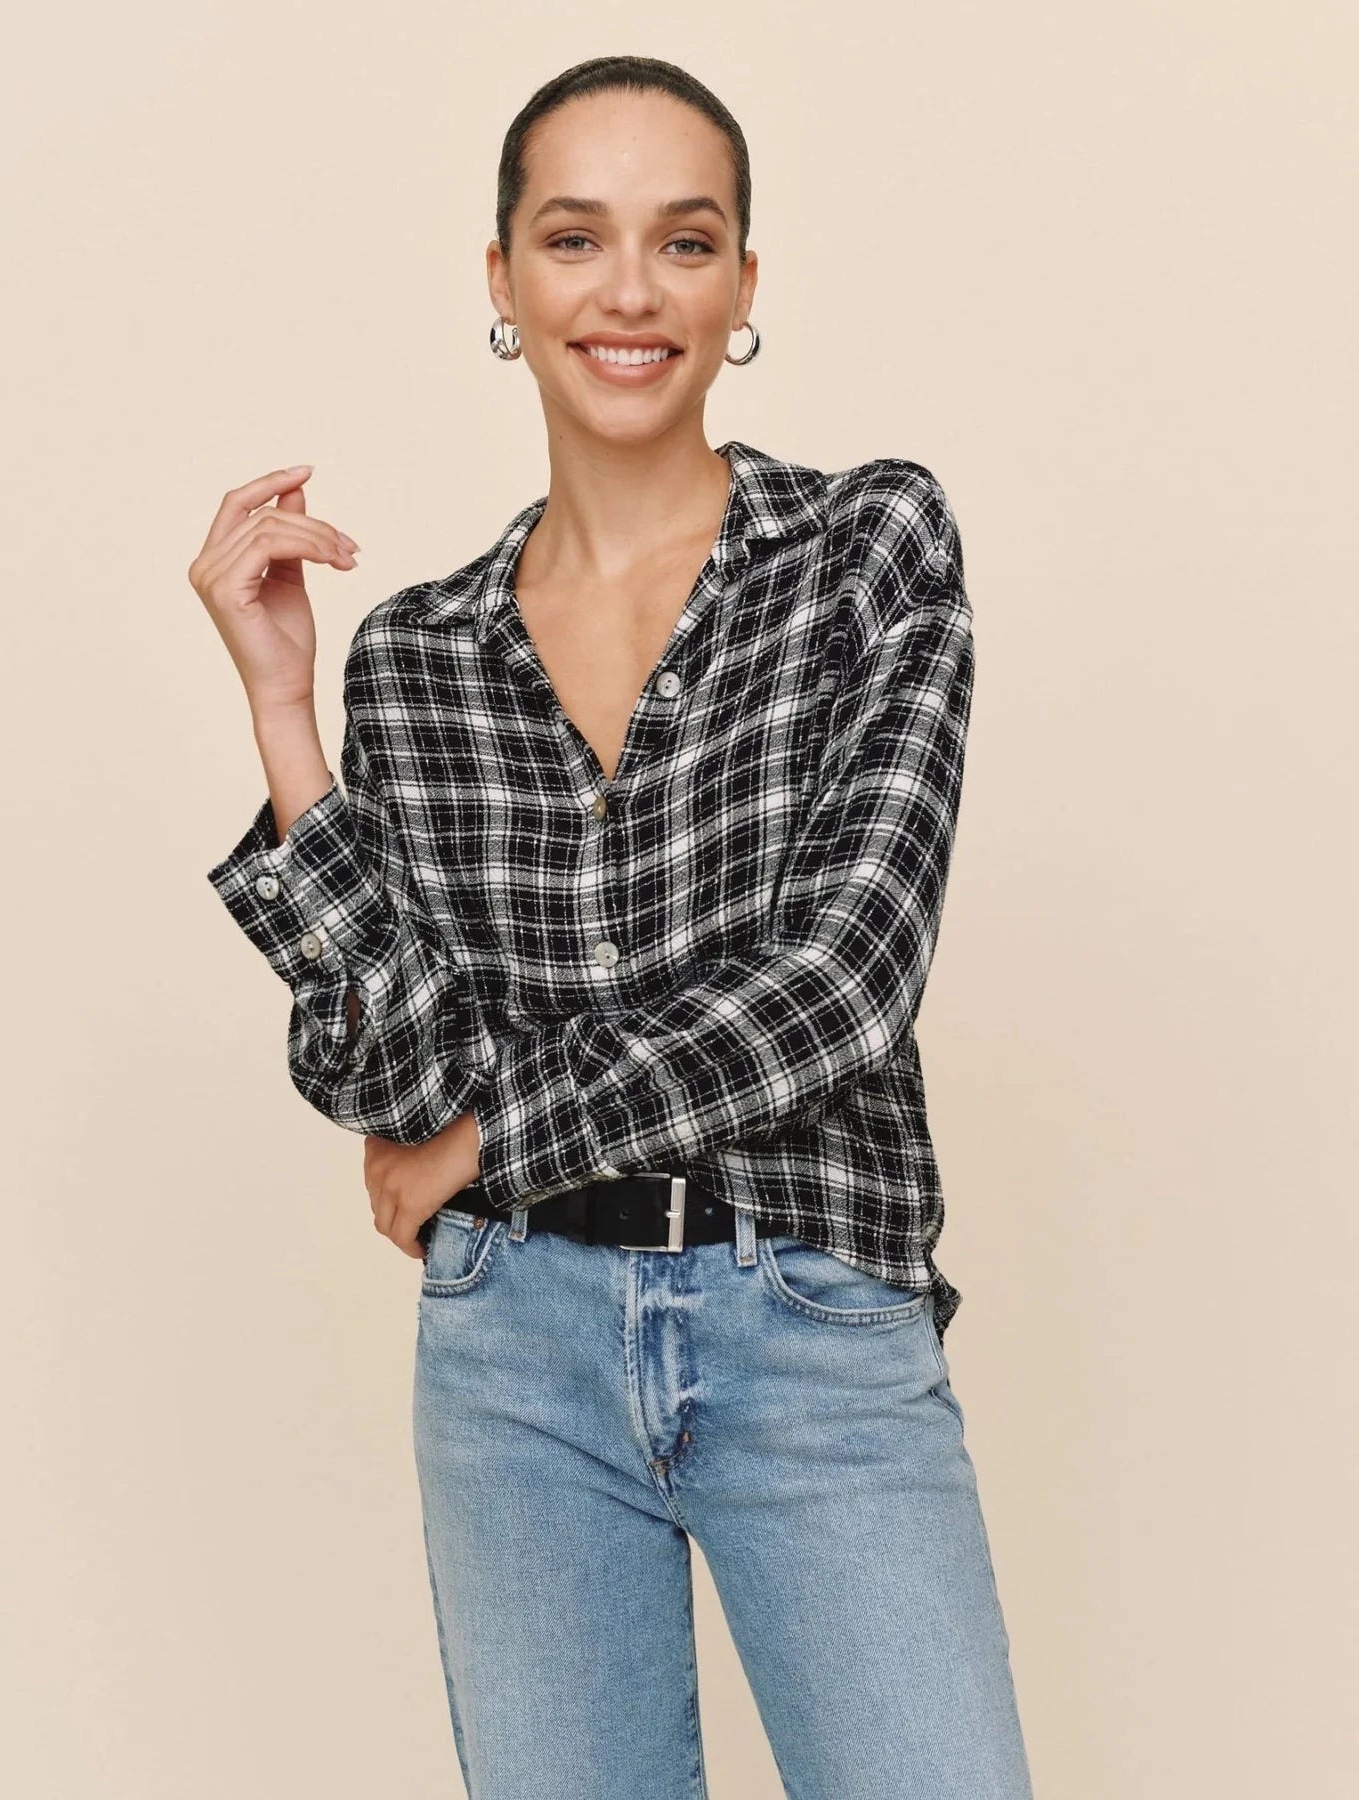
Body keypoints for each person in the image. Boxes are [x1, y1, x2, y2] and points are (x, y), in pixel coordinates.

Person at [191, 52, 1034, 1800]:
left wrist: (495, 1135)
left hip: (810, 1309)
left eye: (685, 240)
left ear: (743, 282)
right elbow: (398, 1082)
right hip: (514, 1345)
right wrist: (287, 721)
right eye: (576, 239)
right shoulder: (418, 656)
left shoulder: (866, 549)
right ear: (503, 280)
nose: (631, 291)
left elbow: (845, 986)